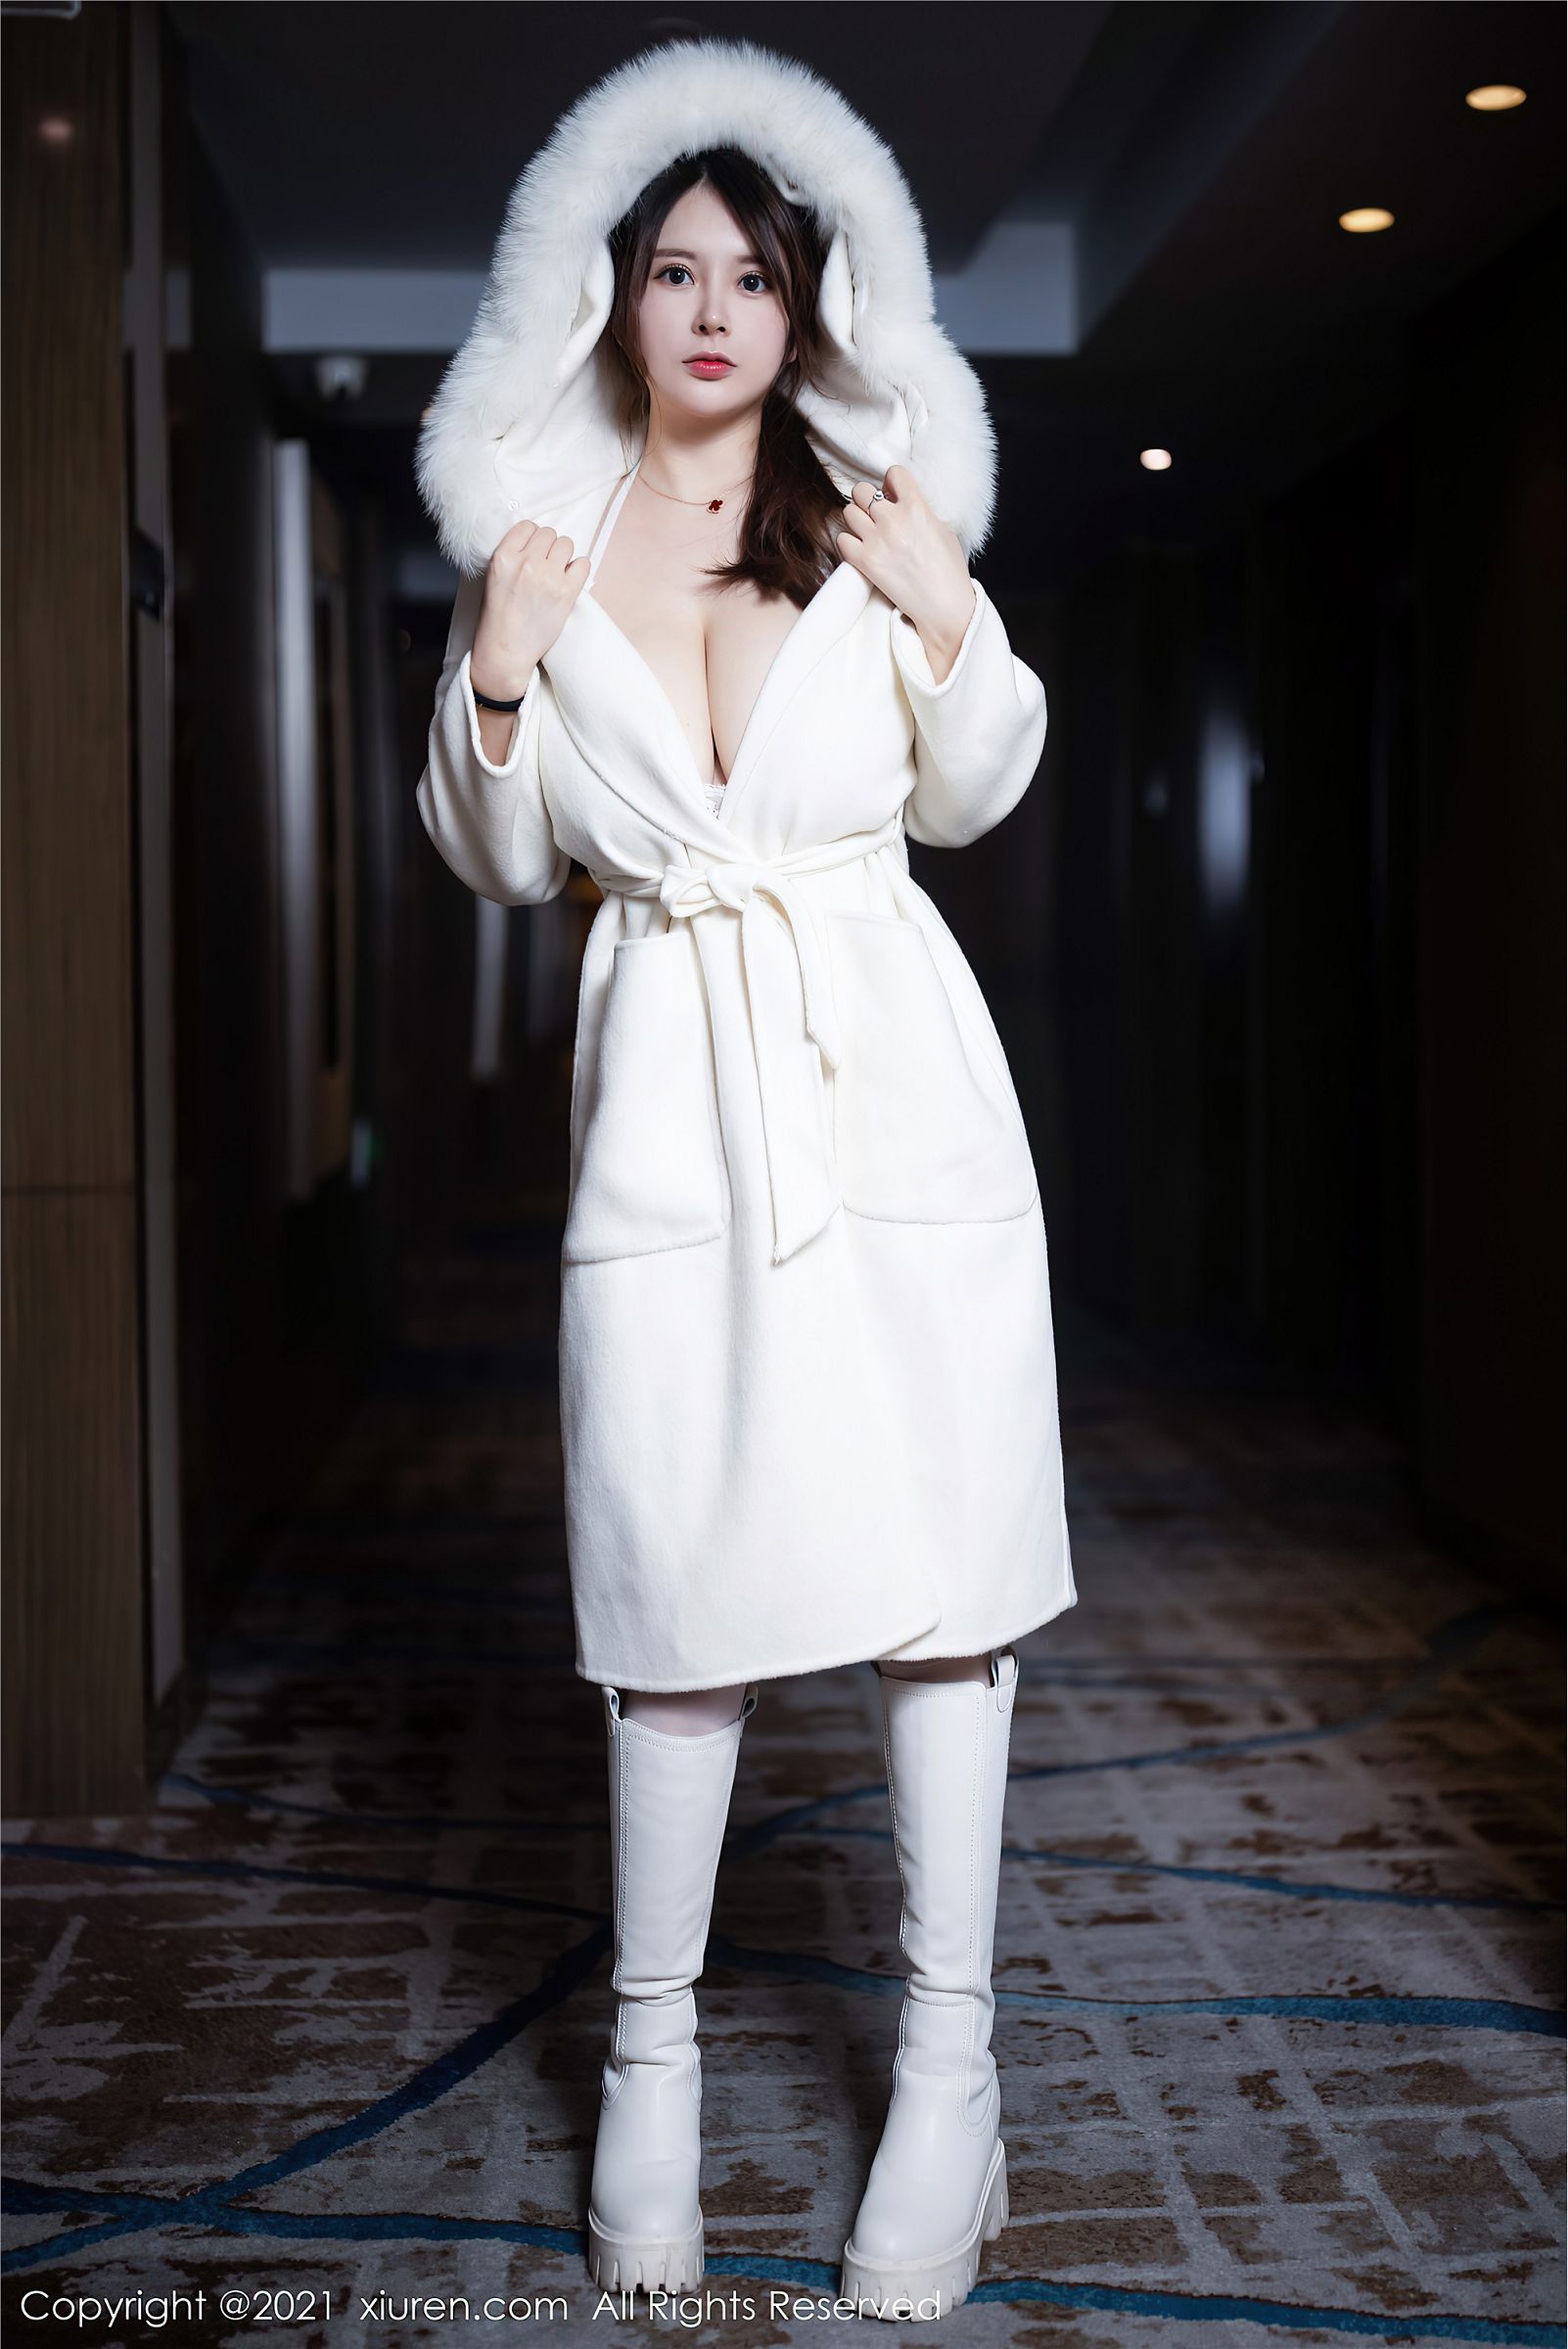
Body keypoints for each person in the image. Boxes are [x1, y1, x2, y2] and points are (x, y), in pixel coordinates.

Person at [414, 36, 1076, 2323]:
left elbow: (976, 788)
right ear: (610, 296)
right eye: (675, 271)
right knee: (674, 1599)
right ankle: (653, 2065)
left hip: (894, 1087)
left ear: (810, 305)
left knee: (938, 1590)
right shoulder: (539, 541)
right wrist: (500, 684)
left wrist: (955, 610)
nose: (713, 313)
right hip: (671, 1109)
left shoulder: (872, 509)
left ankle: (952, 2078)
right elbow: (502, 857)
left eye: (756, 277)